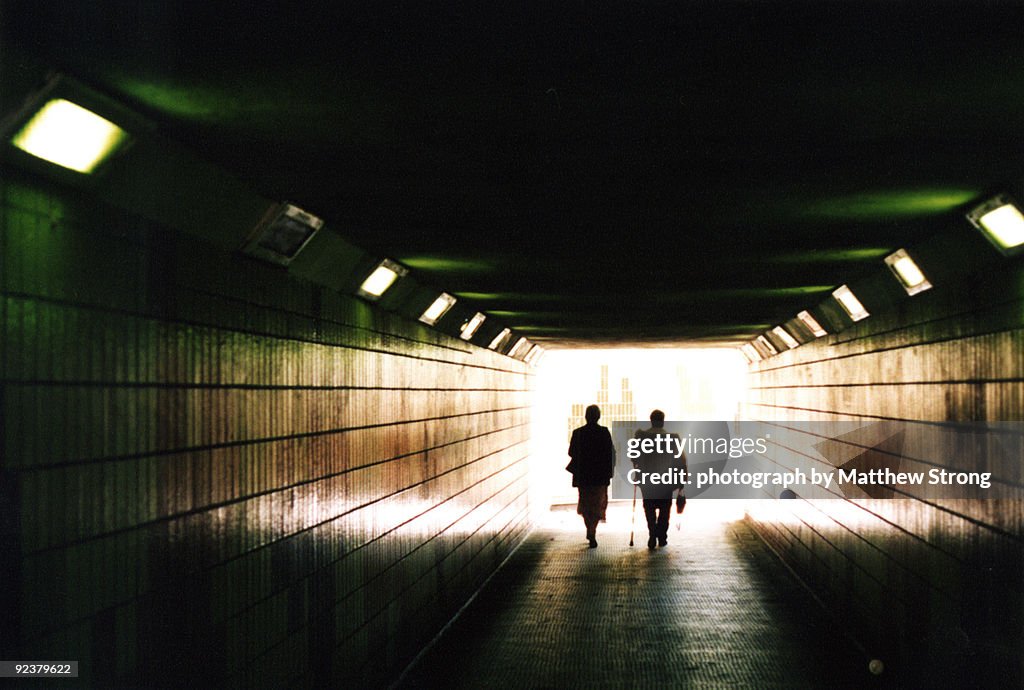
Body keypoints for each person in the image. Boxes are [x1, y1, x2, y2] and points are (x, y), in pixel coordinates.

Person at [633, 410, 687, 549]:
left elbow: (634, 456)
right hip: (665, 480)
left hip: (647, 479)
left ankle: (652, 533)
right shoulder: (672, 438)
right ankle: (662, 536)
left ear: (651, 420)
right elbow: (681, 460)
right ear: (663, 421)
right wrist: (682, 479)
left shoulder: (642, 437)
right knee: (665, 508)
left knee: (649, 507)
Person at [566, 404, 615, 548]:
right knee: (598, 503)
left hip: (584, 475)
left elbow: (571, 453)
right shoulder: (604, 432)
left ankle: (590, 528)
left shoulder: (578, 433)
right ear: (598, 416)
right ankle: (592, 529)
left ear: (586, 416)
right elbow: (611, 453)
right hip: (600, 475)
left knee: (586, 503)